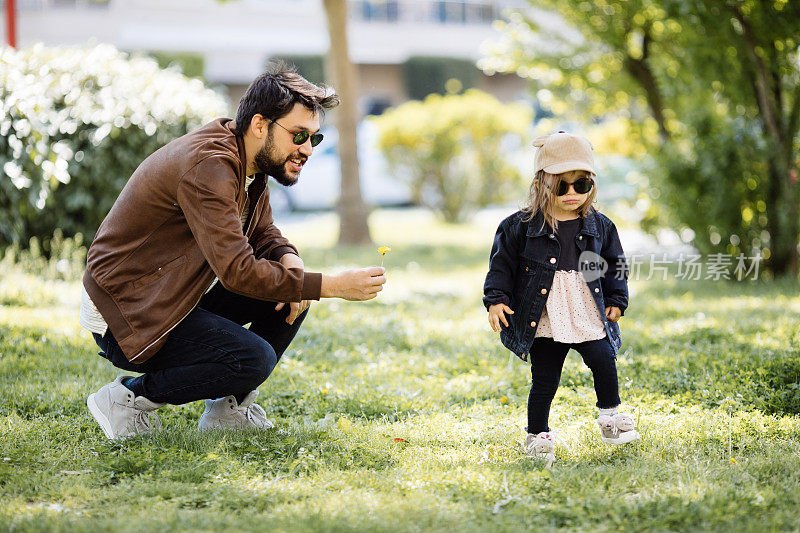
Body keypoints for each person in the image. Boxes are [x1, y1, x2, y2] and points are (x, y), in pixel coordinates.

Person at [81, 63, 386, 440]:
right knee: (253, 357)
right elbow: (238, 271)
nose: (306, 149)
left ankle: (228, 410)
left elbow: (263, 231)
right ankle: (126, 398)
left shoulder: (250, 161)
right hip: (127, 313)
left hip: (173, 295)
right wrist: (333, 285)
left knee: (293, 296)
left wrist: (290, 259)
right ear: (260, 125)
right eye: (299, 135)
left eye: (315, 139)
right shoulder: (209, 167)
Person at [482, 131, 639, 463]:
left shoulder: (602, 226)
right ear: (542, 184)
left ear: (591, 186)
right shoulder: (518, 226)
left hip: (586, 309)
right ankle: (537, 436)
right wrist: (496, 300)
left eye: (580, 185)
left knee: (603, 358)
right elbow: (502, 267)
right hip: (544, 315)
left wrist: (617, 299)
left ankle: (610, 417)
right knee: (545, 378)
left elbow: (615, 266)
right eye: (560, 185)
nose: (571, 193)